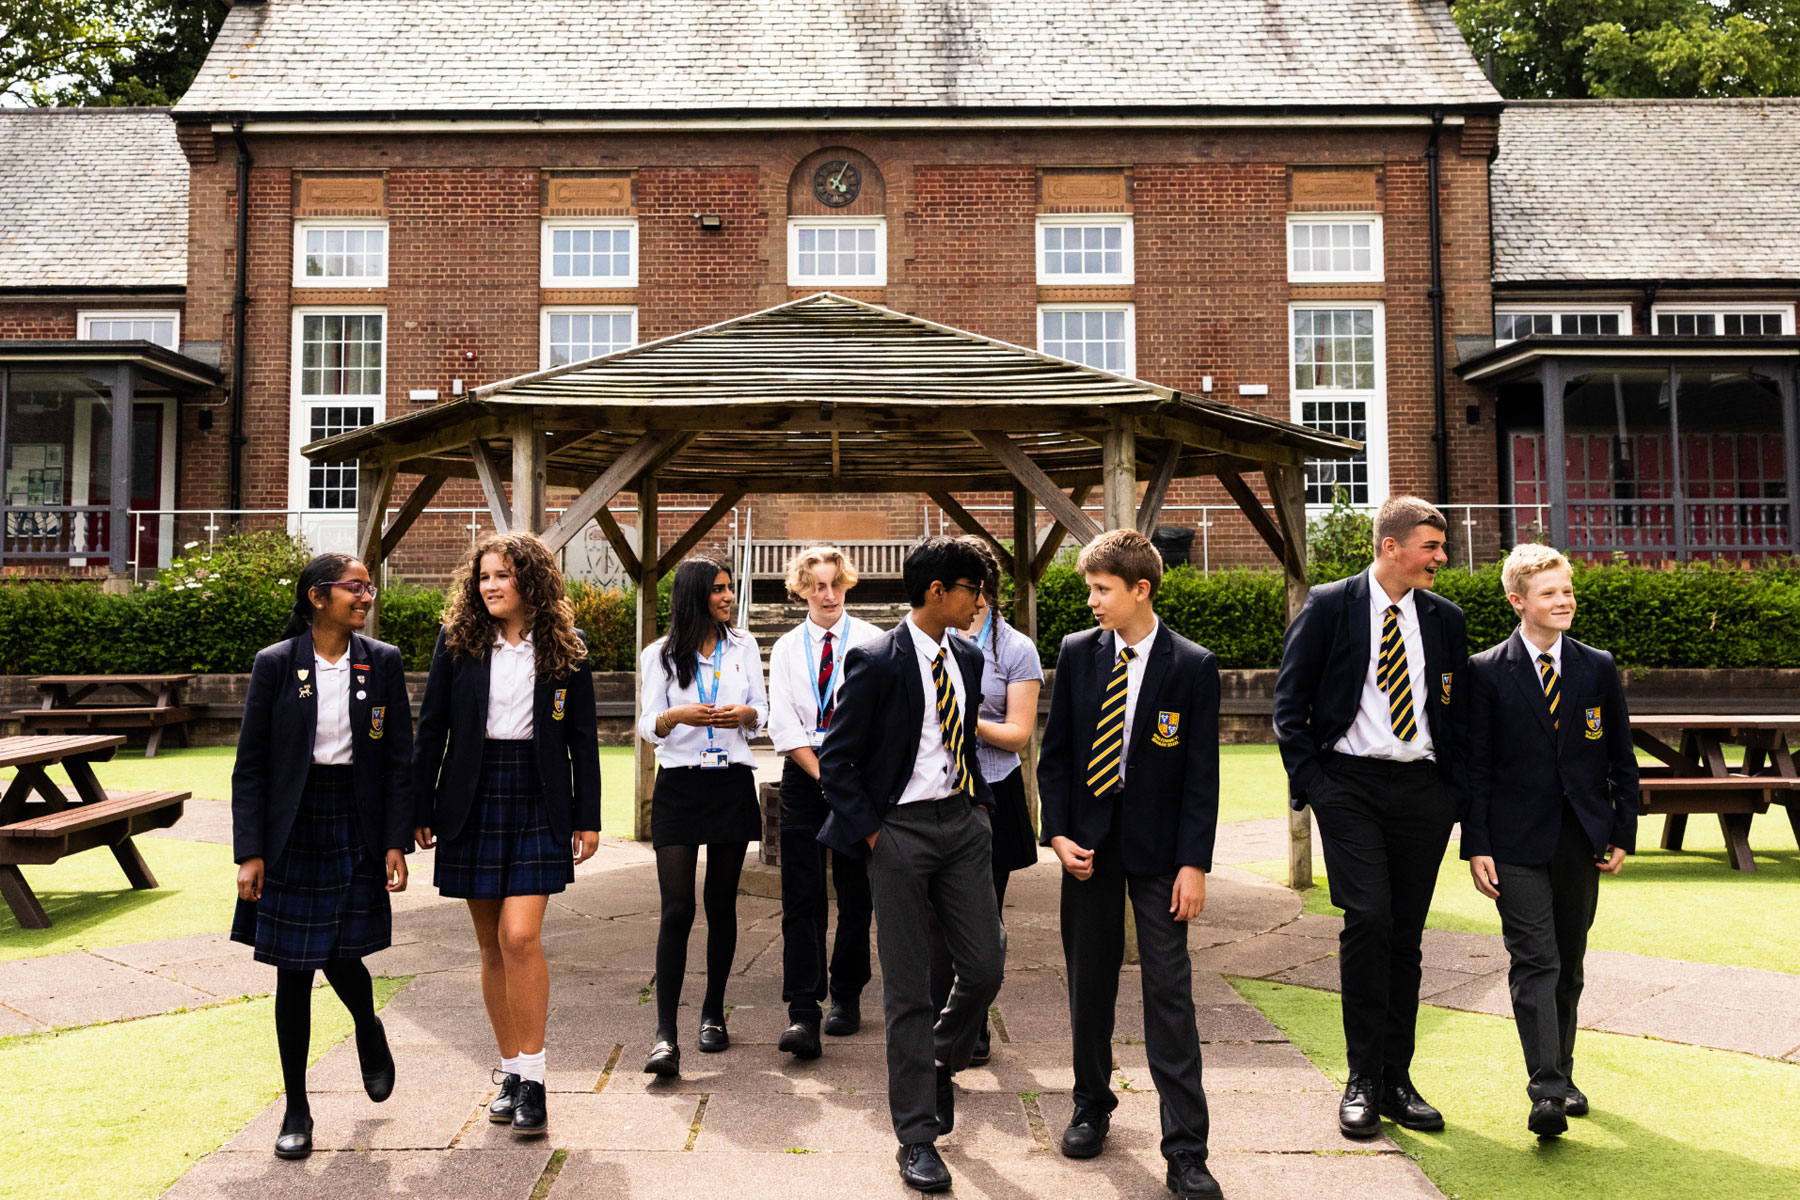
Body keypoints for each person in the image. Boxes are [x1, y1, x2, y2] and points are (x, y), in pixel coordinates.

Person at [1272, 495, 1467, 1139]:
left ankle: (1396, 1079)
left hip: (1423, 792)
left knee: (1405, 935)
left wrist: (1453, 794)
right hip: (1348, 787)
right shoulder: (1330, 605)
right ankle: (1360, 1079)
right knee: (1369, 921)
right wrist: (1316, 786)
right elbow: (1289, 702)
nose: (1442, 558)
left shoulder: (1445, 618)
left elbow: (1456, 710)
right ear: (1391, 547)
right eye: (1432, 547)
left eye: (1441, 547)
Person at [1037, 528, 1222, 1200]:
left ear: (1140, 589)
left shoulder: (1193, 665)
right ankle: (1091, 1106)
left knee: (1169, 993)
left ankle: (1187, 1151)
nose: (1091, 601)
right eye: (1090, 588)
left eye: (1101, 589)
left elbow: (1202, 776)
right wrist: (1056, 835)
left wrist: (1194, 865)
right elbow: (1055, 758)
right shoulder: (1078, 654)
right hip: (1087, 848)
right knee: (1090, 984)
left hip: (1162, 856)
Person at [818, 535, 1006, 1195]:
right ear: (936, 592)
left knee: (985, 964)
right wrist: (875, 836)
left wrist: (977, 812)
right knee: (907, 992)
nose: (979, 603)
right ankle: (917, 1139)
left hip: (962, 824)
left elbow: (963, 740)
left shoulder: (971, 655)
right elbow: (836, 761)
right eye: (972, 591)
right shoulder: (876, 660)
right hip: (897, 833)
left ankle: (936, 1062)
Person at [413, 532, 601, 1139]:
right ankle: (512, 1073)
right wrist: (419, 805)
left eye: (503, 575)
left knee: (521, 937)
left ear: (532, 582)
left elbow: (581, 739)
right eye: (484, 576)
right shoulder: (457, 642)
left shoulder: (567, 648)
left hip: (539, 798)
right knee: (492, 945)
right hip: (470, 797)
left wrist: (587, 814)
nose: (490, 586)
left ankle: (537, 1082)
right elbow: (431, 728)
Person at [230, 553, 413, 1161]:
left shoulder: (380, 662)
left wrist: (394, 839)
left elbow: (397, 762)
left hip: (355, 819)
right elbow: (251, 765)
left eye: (369, 589)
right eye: (355, 588)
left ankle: (367, 1024)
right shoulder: (276, 665)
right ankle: (297, 1108)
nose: (366, 597)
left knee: (342, 951)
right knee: (294, 969)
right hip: (293, 824)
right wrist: (250, 852)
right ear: (318, 596)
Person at [1463, 544, 1638, 1138]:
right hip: (1513, 843)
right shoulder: (1484, 671)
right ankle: (1545, 1090)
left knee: (1569, 961)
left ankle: (1562, 1072)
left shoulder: (1597, 666)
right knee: (1534, 958)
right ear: (1518, 602)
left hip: (1581, 839)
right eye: (1549, 593)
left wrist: (1623, 831)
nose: (1564, 600)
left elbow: (1621, 758)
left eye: (1567, 590)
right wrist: (1476, 845)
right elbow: (1475, 768)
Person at [637, 556, 767, 1077]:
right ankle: (665, 1034)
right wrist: (676, 716)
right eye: (718, 590)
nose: (728, 597)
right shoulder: (661, 654)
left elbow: (764, 713)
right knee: (676, 909)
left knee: (721, 903)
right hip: (681, 785)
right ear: (695, 595)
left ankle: (713, 1013)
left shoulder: (746, 646)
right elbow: (647, 725)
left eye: (730, 589)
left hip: (731, 781)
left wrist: (749, 715)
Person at [927, 536, 1042, 1065]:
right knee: (933, 921)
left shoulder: (1016, 649)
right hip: (937, 791)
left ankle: (973, 1025)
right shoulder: (931, 638)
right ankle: (937, 1020)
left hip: (993, 791)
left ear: (984, 591)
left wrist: (956, 717)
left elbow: (1018, 734)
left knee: (982, 919)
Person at [766, 545, 882, 1060]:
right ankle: (803, 1012)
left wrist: (843, 779)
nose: (828, 594)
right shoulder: (788, 648)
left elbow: (882, 717)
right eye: (816, 585)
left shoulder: (876, 642)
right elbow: (784, 724)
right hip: (805, 775)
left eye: (835, 583)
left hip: (857, 776)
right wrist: (823, 775)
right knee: (803, 896)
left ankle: (848, 995)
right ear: (800, 590)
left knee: (857, 893)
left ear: (847, 584)